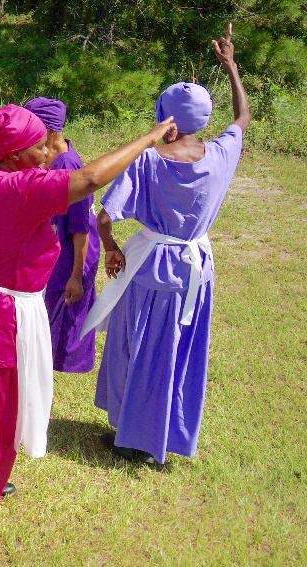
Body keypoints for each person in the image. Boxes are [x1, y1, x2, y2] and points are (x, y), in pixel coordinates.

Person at [0, 104, 176, 517]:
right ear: (13, 155)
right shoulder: (20, 188)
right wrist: (149, 139)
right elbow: (91, 178)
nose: (48, 153)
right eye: (39, 146)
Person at [83, 25, 250, 465]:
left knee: (139, 346)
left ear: (165, 119)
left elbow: (103, 215)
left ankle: (131, 437)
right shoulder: (220, 155)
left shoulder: (148, 160)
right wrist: (231, 66)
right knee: (176, 352)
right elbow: (243, 118)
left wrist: (113, 248)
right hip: (196, 268)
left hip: (151, 267)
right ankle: (162, 432)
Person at [24, 97, 99, 373]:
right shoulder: (43, 156)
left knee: (55, 323)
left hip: (72, 254)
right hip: (53, 248)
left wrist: (76, 275)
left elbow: (80, 229)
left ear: (50, 129)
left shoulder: (68, 166)